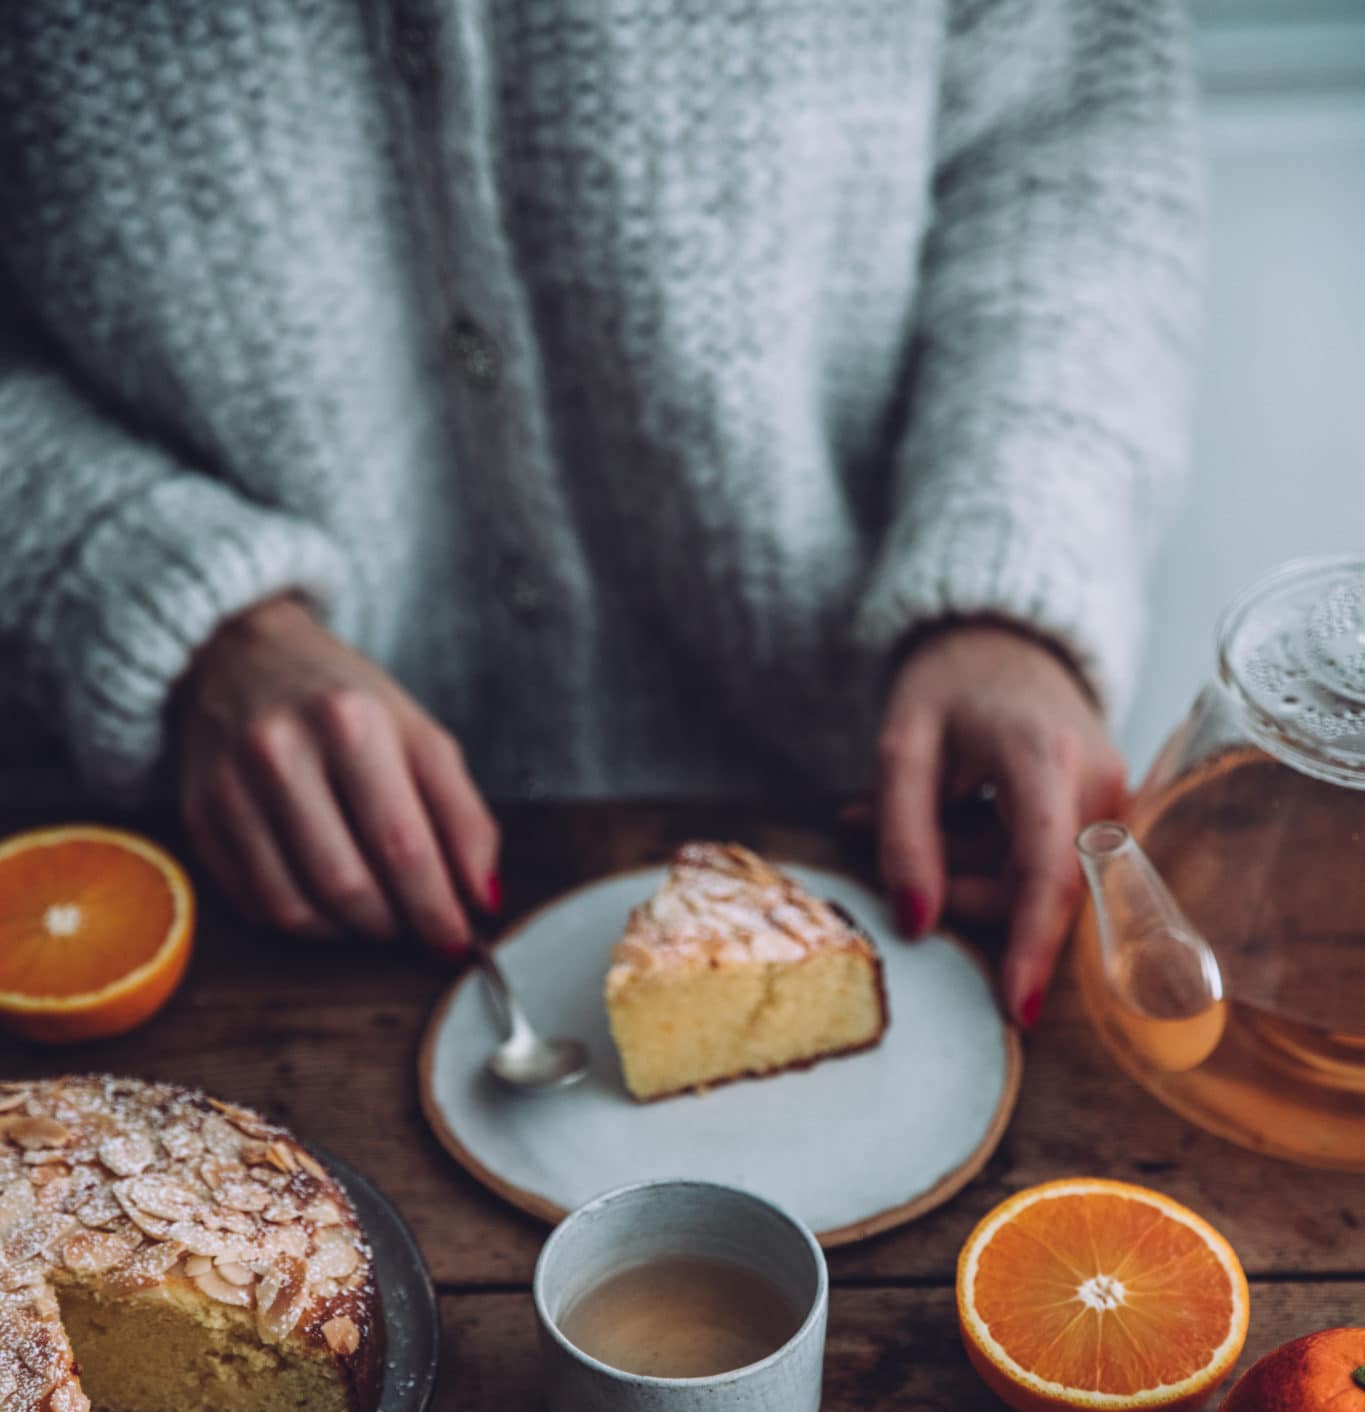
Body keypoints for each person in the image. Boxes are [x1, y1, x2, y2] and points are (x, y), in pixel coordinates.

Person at [0, 2, 1199, 1027]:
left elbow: (1070, 144)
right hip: (182, 885)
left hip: (884, 821)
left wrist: (1011, 575)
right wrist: (147, 588)